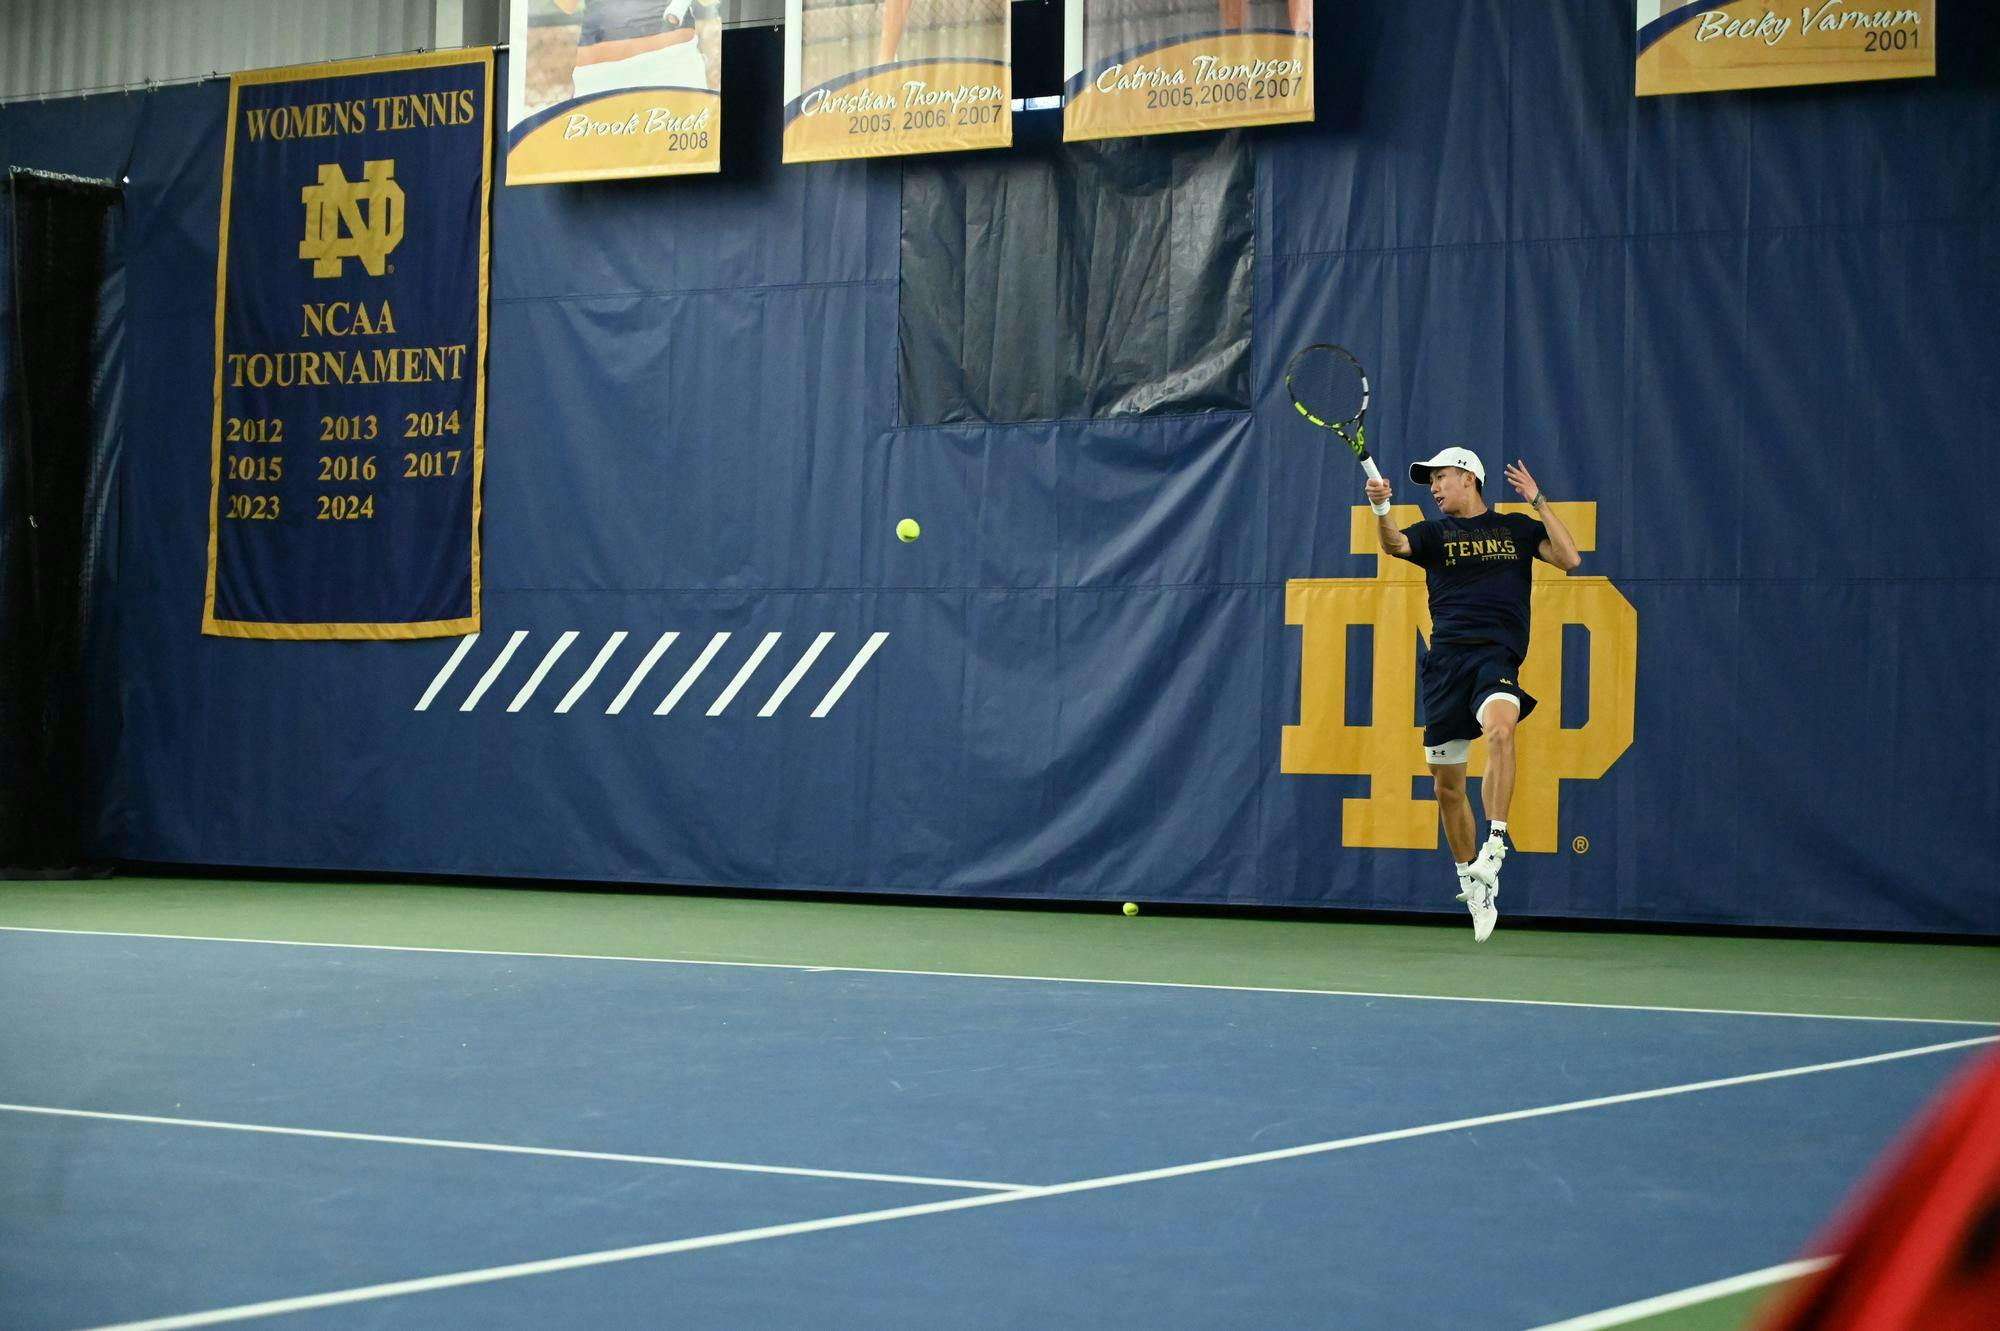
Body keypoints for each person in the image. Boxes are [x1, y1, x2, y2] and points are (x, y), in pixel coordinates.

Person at [1363, 447, 1580, 941]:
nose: (1435, 488)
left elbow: (1569, 559)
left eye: (1441, 477)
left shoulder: (1518, 530)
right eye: (1431, 481)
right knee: (1447, 789)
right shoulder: (1434, 534)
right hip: (1444, 668)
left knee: (1501, 729)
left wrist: (1539, 500)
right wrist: (1380, 508)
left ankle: (1496, 845)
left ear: (1469, 478)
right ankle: (1471, 879)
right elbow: (1394, 544)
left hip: (1495, 660)